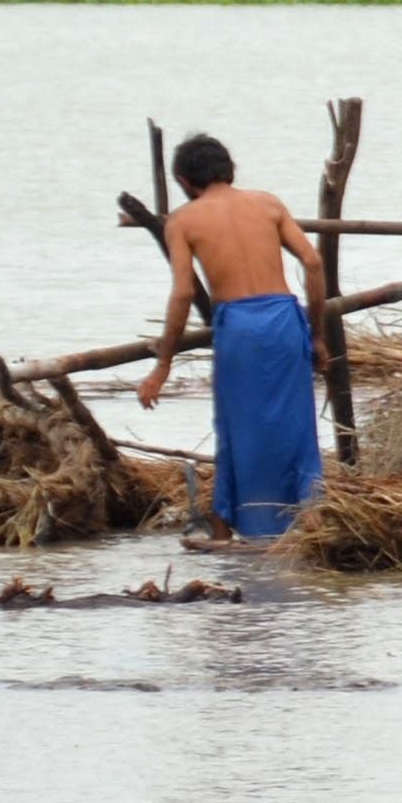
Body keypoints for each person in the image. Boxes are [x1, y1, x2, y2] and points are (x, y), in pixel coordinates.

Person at [131, 132, 327, 540]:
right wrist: (318, 334)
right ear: (228, 169)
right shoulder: (268, 203)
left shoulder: (183, 220)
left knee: (237, 429)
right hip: (283, 318)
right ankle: (309, 522)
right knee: (296, 427)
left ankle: (227, 530)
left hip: (239, 328)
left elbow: (184, 291)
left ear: (184, 180)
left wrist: (162, 365)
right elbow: (311, 261)